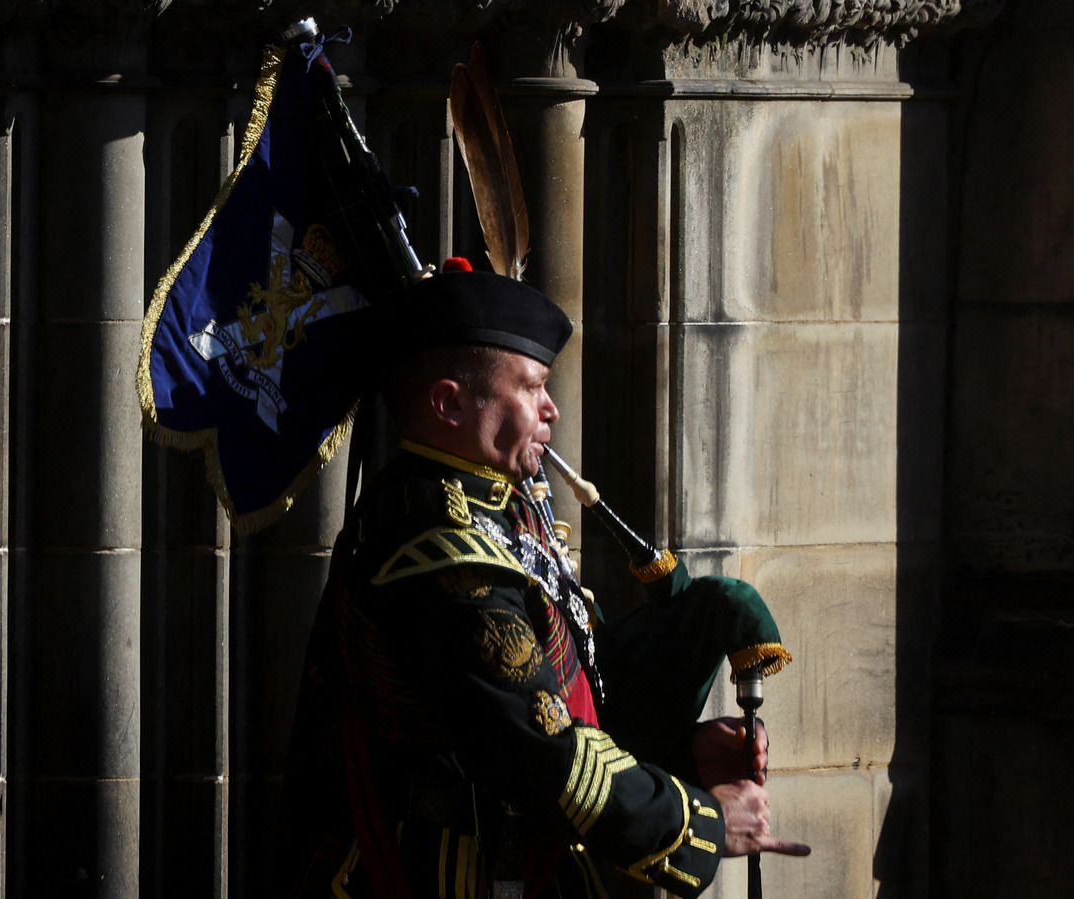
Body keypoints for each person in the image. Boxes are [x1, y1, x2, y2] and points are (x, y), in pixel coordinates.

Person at [273, 266, 809, 898]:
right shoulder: (443, 552)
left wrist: (683, 753)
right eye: (530, 386)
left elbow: (572, 681)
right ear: (448, 404)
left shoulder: (503, 507)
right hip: (448, 872)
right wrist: (698, 821)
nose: (551, 408)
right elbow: (537, 746)